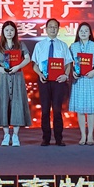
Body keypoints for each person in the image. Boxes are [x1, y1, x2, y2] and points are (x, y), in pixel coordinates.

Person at [0, 21, 32, 147]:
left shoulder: (20, 45)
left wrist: (18, 66)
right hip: (2, 77)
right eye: (7, 30)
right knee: (3, 104)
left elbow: (27, 58)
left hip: (17, 76)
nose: (9, 32)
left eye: (12, 30)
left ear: (15, 32)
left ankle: (16, 136)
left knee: (17, 103)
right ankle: (6, 135)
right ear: (3, 32)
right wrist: (0, 69)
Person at [31, 18, 72, 146]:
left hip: (59, 81)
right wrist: (39, 74)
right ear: (46, 29)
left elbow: (68, 63)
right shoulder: (39, 45)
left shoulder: (63, 45)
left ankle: (59, 138)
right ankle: (46, 138)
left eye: (55, 27)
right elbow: (34, 64)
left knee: (57, 110)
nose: (53, 29)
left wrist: (65, 75)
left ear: (58, 29)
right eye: (50, 27)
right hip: (44, 80)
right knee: (45, 111)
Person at [68, 22, 94, 146]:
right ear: (78, 33)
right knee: (80, 109)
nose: (83, 33)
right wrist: (73, 72)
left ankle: (90, 135)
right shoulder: (73, 46)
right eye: (81, 31)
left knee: (91, 109)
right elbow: (69, 63)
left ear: (90, 33)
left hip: (90, 78)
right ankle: (83, 135)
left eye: (86, 31)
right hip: (78, 80)